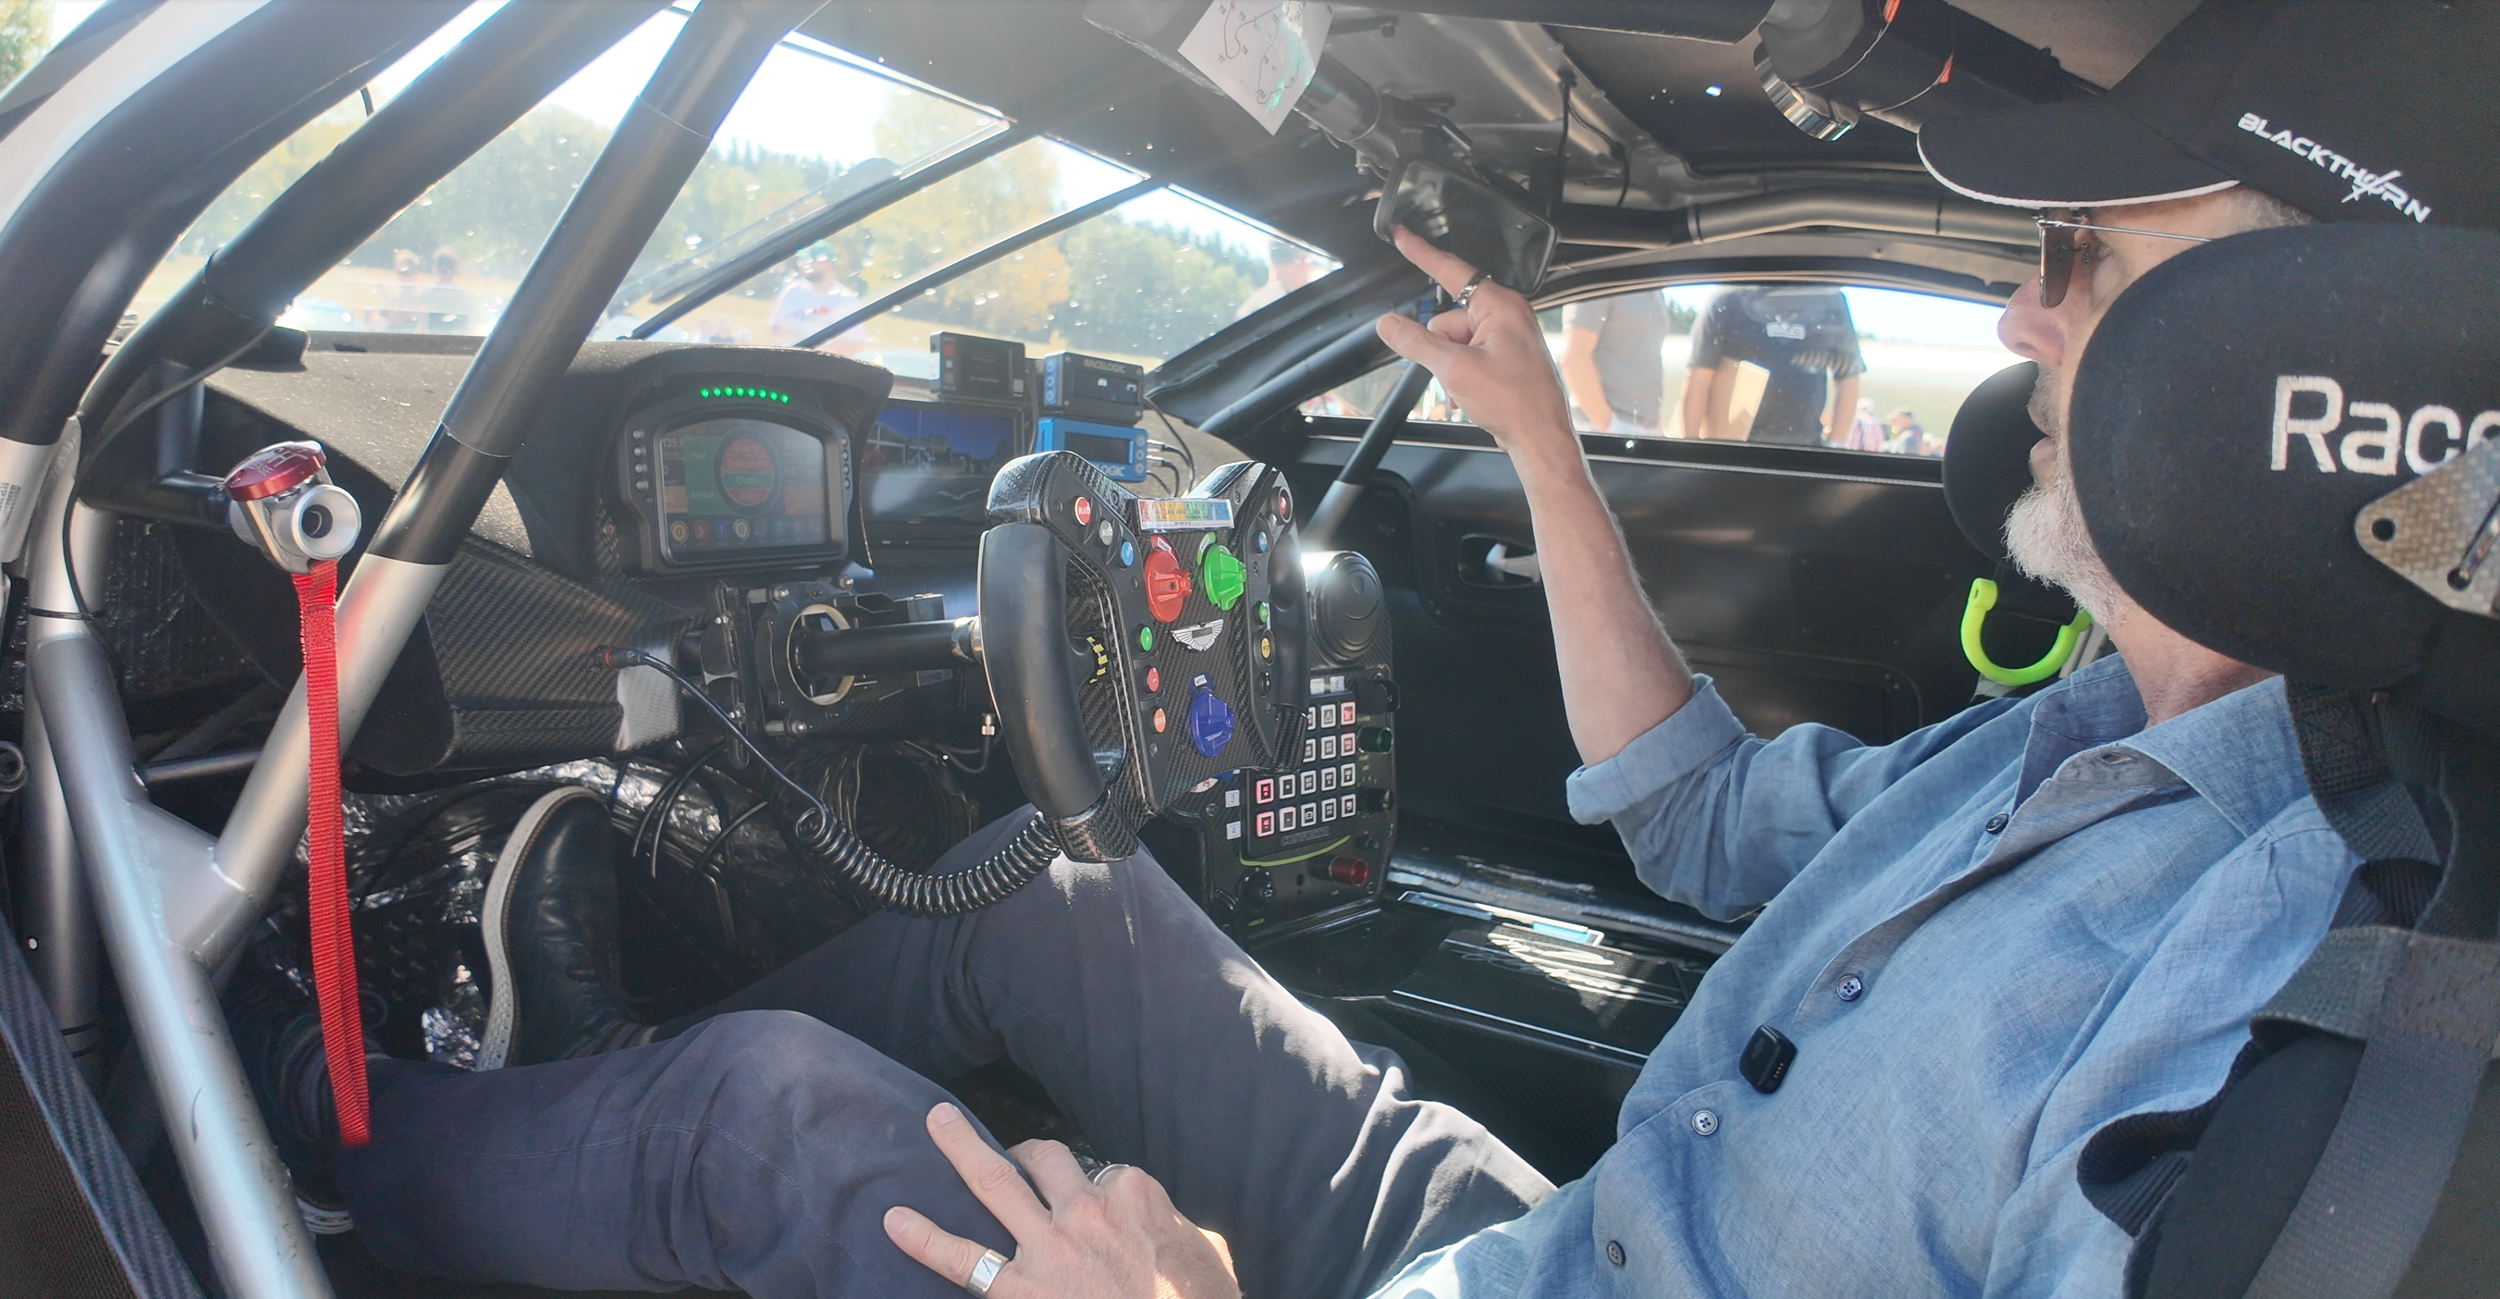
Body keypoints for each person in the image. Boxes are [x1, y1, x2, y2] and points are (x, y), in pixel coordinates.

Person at [229, 5, 2495, 1298]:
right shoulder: (2069, 740)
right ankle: (556, 1081)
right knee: (1061, 889)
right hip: (1562, 1236)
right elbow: (1703, 815)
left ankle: (288, 1152)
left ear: (2319, 382)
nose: (2016, 317)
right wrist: (1534, 427)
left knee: (764, 1116)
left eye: (2083, 258)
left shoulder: (2284, 981)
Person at [1676, 284, 1864, 443]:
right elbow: (1699, 379)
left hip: (1805, 452)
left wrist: (1835, 447)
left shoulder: (1830, 301)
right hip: (1735, 452)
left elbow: (1848, 379)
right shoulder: (1728, 297)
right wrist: (1692, 451)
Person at [1558, 288, 1672, 435]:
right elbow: (1575, 358)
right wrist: (1611, 427)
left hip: (1647, 431)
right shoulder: (1599, 279)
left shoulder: (1653, 288)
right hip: (1604, 431)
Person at [770, 241, 869, 355]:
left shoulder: (845, 299)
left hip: (824, 363)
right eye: (803, 261)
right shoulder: (793, 291)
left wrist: (824, 346)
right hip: (790, 358)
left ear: (826, 265)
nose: (804, 266)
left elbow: (856, 344)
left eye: (809, 262)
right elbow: (776, 327)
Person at [1234, 239, 1319, 319]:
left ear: (1303, 261)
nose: (1277, 270)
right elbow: (1241, 318)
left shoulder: (1322, 293)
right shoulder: (1265, 300)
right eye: (1276, 260)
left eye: (1283, 259)